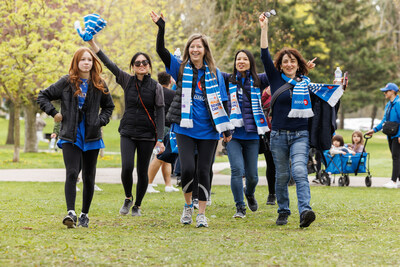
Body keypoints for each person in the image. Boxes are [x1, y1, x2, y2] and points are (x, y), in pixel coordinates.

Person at [259, 13, 344, 227]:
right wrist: (264, 28)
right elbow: (264, 55)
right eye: (285, 61)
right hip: (278, 135)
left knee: (298, 171)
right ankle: (283, 211)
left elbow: (325, 101)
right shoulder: (275, 79)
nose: (289, 64)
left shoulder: (306, 84)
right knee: (281, 175)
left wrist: (339, 86)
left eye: (293, 61)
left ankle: (305, 211)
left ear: (299, 64)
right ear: (280, 65)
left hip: (300, 135)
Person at [151, 11, 233, 227]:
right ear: (188, 50)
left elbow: (224, 102)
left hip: (208, 130)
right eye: (192, 46)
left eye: (199, 46)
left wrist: (227, 130)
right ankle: (188, 208)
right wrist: (161, 28)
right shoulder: (179, 68)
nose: (195, 49)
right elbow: (161, 50)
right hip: (184, 128)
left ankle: (202, 214)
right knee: (187, 169)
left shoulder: (216, 74)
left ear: (205, 50)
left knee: (204, 170)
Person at [85, 37, 165, 217]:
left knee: (142, 171)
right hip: (128, 132)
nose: (141, 65)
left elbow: (160, 113)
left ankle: (138, 205)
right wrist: (92, 44)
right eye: (137, 63)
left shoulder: (156, 87)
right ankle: (128, 197)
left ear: (149, 66)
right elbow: (108, 63)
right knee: (127, 167)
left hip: (147, 134)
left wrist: (160, 138)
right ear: (133, 67)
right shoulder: (126, 80)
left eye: (145, 62)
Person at [37, 47, 115, 228]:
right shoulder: (67, 82)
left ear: (93, 62)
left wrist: (100, 121)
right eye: (83, 59)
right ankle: (70, 213)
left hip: (92, 136)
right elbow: (43, 96)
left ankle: (84, 214)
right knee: (72, 172)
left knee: (89, 176)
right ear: (76, 62)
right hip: (70, 134)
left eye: (89, 59)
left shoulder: (100, 83)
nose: (86, 62)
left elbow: (109, 107)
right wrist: (54, 113)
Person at [221, 50, 269, 218]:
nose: (241, 61)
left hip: (252, 135)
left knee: (253, 176)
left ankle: (249, 193)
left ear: (250, 62)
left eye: (245, 59)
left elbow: (275, 71)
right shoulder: (227, 79)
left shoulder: (259, 80)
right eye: (238, 58)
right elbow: (210, 69)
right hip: (233, 135)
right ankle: (240, 207)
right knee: (236, 170)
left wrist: (301, 68)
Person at [147, 71, 179, 193]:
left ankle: (168, 185)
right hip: (166, 127)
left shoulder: (155, 92)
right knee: (160, 156)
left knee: (167, 157)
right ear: (170, 80)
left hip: (156, 126)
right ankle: (148, 184)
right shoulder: (173, 94)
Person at [52, 121, 103, 192]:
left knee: (89, 165)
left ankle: (91, 183)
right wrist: (55, 131)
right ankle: (74, 182)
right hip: (73, 135)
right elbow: (61, 119)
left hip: (89, 133)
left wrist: (100, 122)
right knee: (76, 165)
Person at [366, 83, 400, 189]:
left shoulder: (398, 103)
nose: (384, 93)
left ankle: (393, 181)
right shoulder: (388, 105)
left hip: (397, 135)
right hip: (391, 135)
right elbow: (384, 121)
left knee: (396, 157)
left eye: (386, 91)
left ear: (393, 92)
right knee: (396, 157)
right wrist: (374, 130)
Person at [261, 86, 277, 205]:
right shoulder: (267, 90)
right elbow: (259, 105)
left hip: (283, 131)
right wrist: (266, 94)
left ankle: (281, 192)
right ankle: (272, 194)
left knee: (282, 166)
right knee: (270, 164)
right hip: (268, 133)